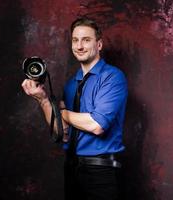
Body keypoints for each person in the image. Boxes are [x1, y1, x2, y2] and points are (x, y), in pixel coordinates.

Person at [21, 17, 128, 200]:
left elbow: (96, 124)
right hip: (72, 169)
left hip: (101, 171)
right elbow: (61, 132)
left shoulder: (113, 77)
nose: (79, 46)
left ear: (99, 44)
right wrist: (43, 100)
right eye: (75, 40)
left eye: (86, 40)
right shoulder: (71, 85)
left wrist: (62, 112)